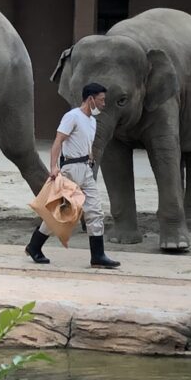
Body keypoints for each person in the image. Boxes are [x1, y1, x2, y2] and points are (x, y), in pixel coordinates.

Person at [25, 82, 120, 269]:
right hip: (69, 170)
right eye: (101, 100)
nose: (103, 104)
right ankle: (34, 246)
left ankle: (98, 256)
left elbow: (85, 144)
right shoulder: (72, 116)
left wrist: (90, 158)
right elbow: (58, 141)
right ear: (90, 99)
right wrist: (53, 167)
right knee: (60, 212)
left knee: (95, 210)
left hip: (85, 169)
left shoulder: (92, 121)